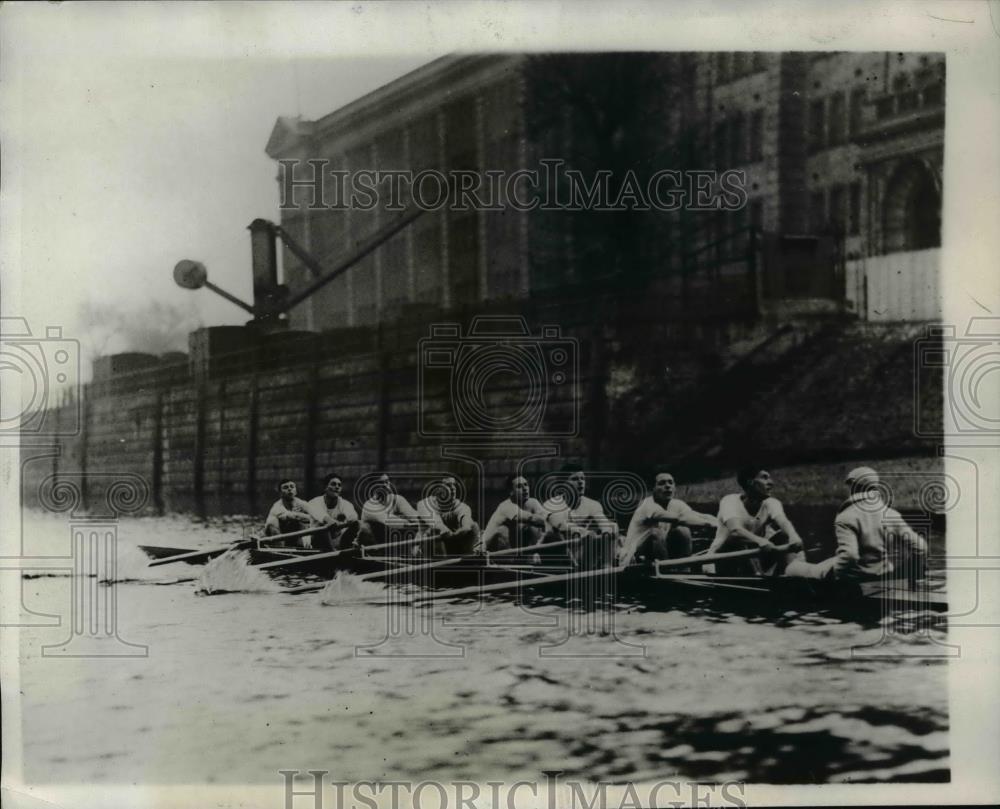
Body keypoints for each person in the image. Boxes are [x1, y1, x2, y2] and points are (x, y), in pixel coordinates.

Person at [784, 466, 928, 582]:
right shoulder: (891, 514)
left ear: (853, 486)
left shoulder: (846, 516)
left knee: (792, 569)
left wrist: (838, 580)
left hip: (854, 577)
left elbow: (850, 556)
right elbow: (921, 547)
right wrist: (907, 573)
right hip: (884, 572)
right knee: (831, 561)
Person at [707, 465, 805, 575]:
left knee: (784, 536)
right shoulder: (729, 501)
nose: (771, 482)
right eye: (764, 478)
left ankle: (795, 574)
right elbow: (735, 531)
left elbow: (783, 522)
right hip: (723, 558)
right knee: (738, 540)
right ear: (750, 482)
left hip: (755, 556)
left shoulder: (772, 503)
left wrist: (794, 536)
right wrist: (760, 541)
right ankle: (760, 576)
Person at [619, 469, 719, 566]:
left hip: (659, 550)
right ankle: (665, 569)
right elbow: (679, 519)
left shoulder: (677, 504)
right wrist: (708, 524)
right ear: (653, 488)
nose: (667, 486)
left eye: (670, 483)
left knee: (683, 530)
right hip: (633, 555)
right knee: (656, 533)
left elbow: (696, 515)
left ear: (674, 487)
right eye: (662, 483)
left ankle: (683, 568)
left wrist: (719, 523)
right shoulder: (647, 505)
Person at [541, 464, 619, 568]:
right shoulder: (551, 504)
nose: (580, 482)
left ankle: (607, 568)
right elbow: (562, 526)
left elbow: (604, 523)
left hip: (582, 553)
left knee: (612, 526)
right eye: (574, 479)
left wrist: (608, 532)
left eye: (583, 478)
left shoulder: (593, 504)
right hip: (559, 554)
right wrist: (586, 533)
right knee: (554, 535)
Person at [357, 473, 428, 555]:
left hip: (386, 541)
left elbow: (413, 515)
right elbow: (389, 520)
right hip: (371, 543)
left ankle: (414, 552)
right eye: (381, 483)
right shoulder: (369, 505)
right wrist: (411, 525)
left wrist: (423, 521)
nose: (385, 485)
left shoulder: (398, 499)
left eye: (386, 482)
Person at [478, 474, 548, 553]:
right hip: (488, 549)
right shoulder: (507, 506)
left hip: (516, 547)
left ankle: (532, 555)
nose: (525, 489)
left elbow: (546, 521)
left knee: (537, 528)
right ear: (511, 492)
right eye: (519, 486)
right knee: (506, 529)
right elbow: (534, 519)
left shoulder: (533, 502)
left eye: (526, 484)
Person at [416, 475, 481, 555]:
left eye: (454, 484)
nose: (453, 488)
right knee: (434, 532)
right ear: (438, 488)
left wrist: (466, 527)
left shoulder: (462, 506)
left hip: (450, 544)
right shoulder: (424, 504)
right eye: (448, 485)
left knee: (474, 526)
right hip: (427, 548)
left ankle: (466, 560)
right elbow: (438, 526)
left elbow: (467, 524)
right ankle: (443, 565)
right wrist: (448, 532)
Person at [305, 472, 360, 552]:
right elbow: (321, 516)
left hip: (338, 541)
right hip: (318, 542)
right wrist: (332, 521)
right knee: (322, 527)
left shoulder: (346, 504)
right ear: (325, 488)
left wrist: (350, 521)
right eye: (333, 484)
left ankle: (346, 551)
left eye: (339, 485)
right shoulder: (314, 502)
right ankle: (334, 554)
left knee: (359, 524)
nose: (337, 487)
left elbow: (353, 518)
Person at [264, 479, 314, 545]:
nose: (290, 489)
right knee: (272, 521)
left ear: (296, 491)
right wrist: (298, 515)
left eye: (292, 487)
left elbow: (316, 517)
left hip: (293, 536)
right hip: (278, 537)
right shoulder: (277, 507)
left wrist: (297, 515)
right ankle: (280, 550)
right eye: (285, 487)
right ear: (280, 493)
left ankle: (301, 546)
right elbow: (290, 516)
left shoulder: (302, 503)